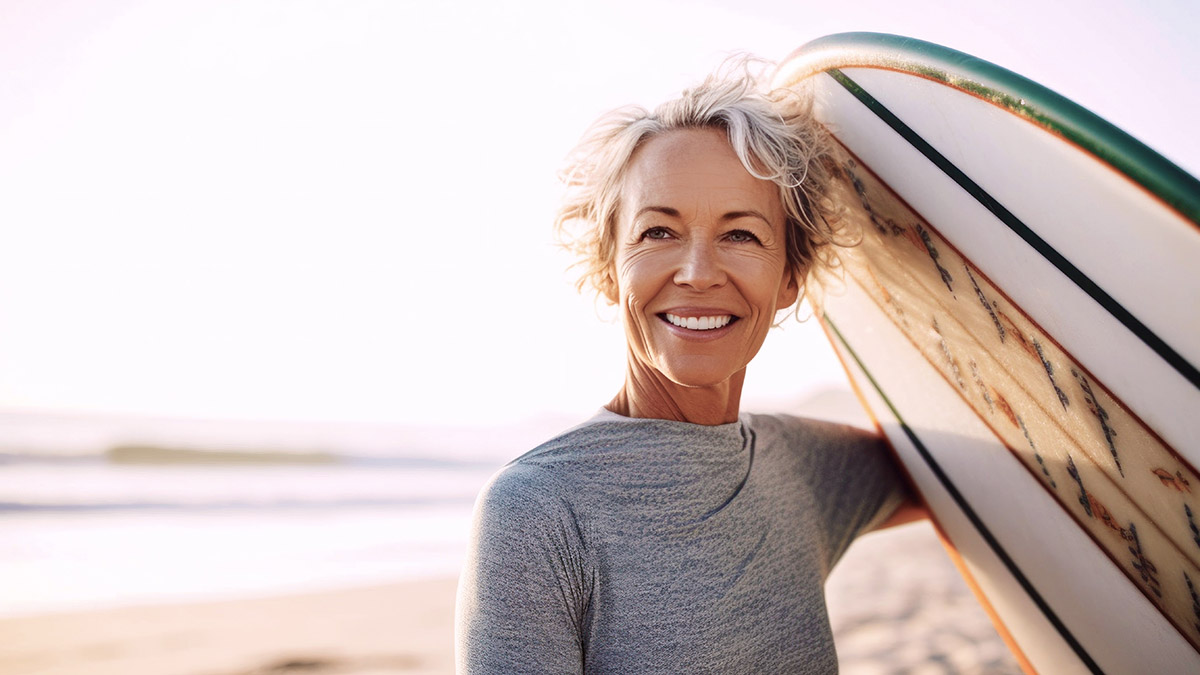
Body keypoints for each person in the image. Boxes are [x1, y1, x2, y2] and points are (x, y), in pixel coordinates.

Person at [455, 61, 919, 673]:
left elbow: (977, 479)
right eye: (658, 232)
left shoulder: (807, 467)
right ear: (608, 268)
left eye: (741, 235)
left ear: (790, 277)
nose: (698, 273)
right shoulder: (537, 512)